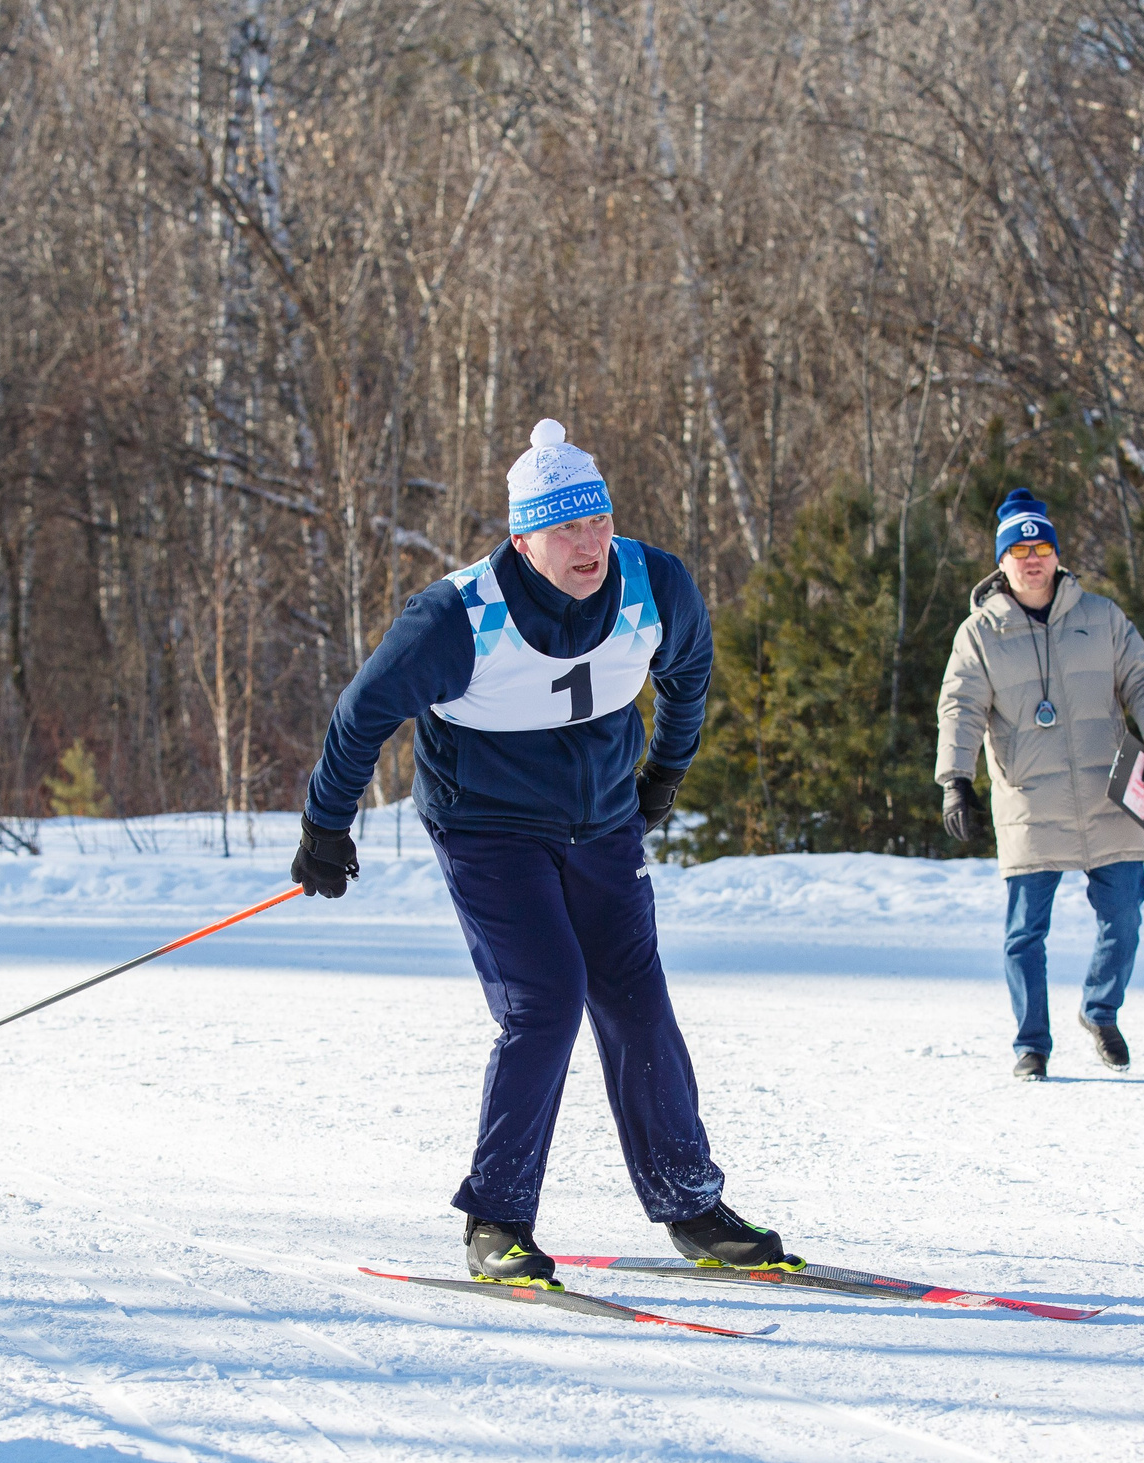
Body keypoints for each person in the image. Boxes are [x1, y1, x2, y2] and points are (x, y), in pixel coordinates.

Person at [290, 420, 797, 1285]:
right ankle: (496, 1217)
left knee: (637, 1001)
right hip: (488, 829)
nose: (589, 543)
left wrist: (665, 774)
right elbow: (361, 715)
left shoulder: (653, 584)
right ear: (524, 538)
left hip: (602, 822)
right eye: (566, 529)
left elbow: (689, 674)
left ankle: (690, 1202)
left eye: (598, 520)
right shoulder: (457, 617)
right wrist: (325, 827)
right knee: (546, 998)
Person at [936, 488, 1144, 1080]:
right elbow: (960, 708)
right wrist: (956, 780)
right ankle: (1032, 1045)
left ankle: (1101, 1011)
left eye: (1042, 548)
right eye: (1019, 551)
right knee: (1025, 933)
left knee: (1124, 917)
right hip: (1028, 796)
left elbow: (1143, 677)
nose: (1032, 559)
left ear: (1057, 555)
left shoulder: (1102, 617)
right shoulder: (979, 634)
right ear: (1002, 561)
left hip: (1108, 790)